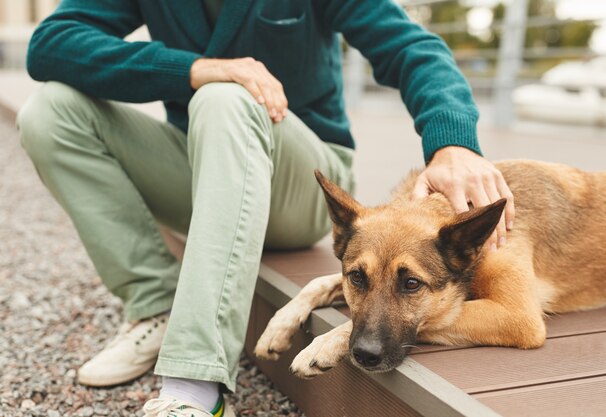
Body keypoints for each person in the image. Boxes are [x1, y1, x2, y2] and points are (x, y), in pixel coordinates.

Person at [17, 0, 515, 415]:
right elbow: (51, 43)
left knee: (227, 99)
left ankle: (195, 386)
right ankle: (156, 305)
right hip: (204, 168)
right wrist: (192, 69)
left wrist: (453, 142)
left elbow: (411, 47)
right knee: (50, 112)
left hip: (302, 184)